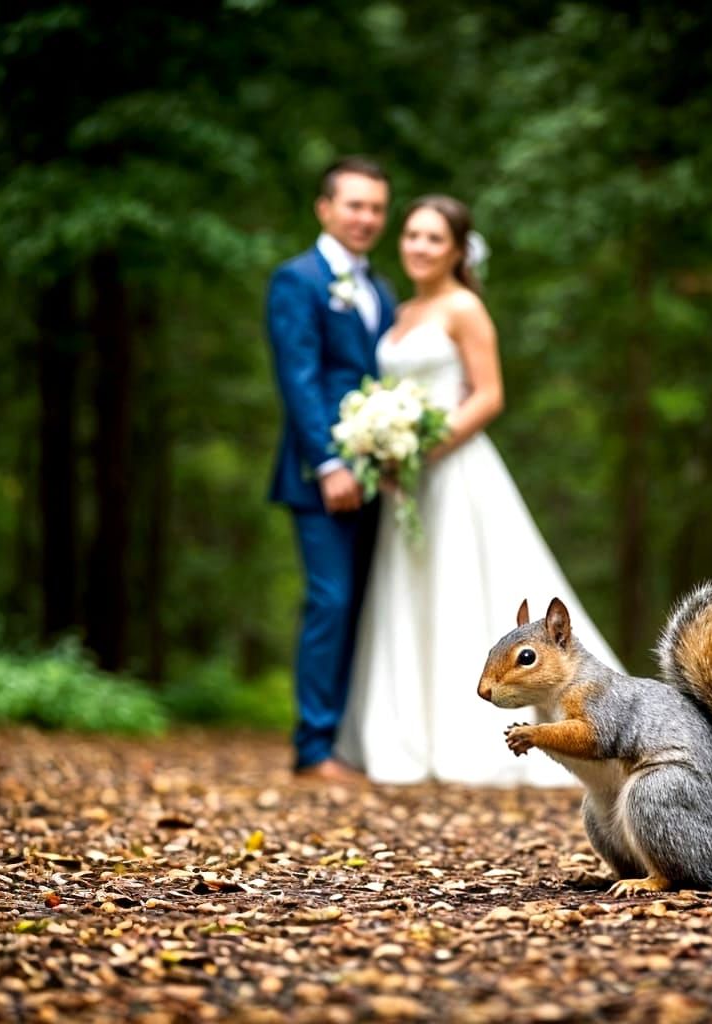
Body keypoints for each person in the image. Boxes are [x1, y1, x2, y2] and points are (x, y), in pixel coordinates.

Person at [334, 195, 624, 786]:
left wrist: (422, 450)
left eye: (434, 238)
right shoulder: (403, 311)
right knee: (409, 593)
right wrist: (386, 450)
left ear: (459, 250)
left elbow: (489, 394)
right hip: (406, 486)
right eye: (412, 235)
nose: (418, 246)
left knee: (457, 585)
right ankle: (408, 734)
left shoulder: (465, 308)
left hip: (455, 470)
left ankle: (487, 734)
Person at [265, 156, 395, 783]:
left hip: (378, 476)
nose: (366, 217)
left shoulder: (381, 291)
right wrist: (328, 461)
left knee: (364, 607)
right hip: (323, 476)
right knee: (331, 600)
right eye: (355, 205)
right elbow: (299, 378)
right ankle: (312, 747)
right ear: (325, 208)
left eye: (375, 207)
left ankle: (347, 740)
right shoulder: (297, 280)